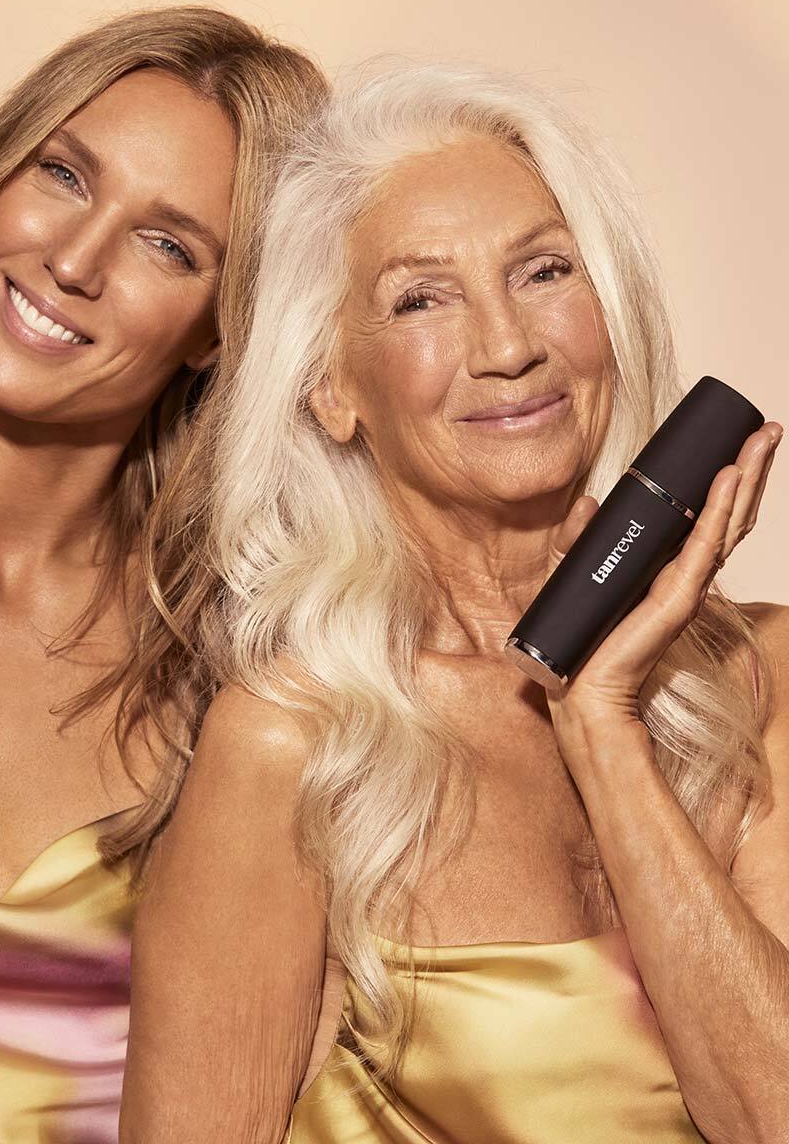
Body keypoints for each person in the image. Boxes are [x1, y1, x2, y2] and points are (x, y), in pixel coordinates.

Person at [123, 62, 788, 1143]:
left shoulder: (761, 680)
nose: (509, 347)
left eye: (543, 271)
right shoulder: (296, 743)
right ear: (330, 385)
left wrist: (602, 723)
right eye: (420, 298)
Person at [0, 5, 324, 1144]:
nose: (72, 260)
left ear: (219, 330)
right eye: (63, 174)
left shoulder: (239, 685)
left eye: (169, 245)